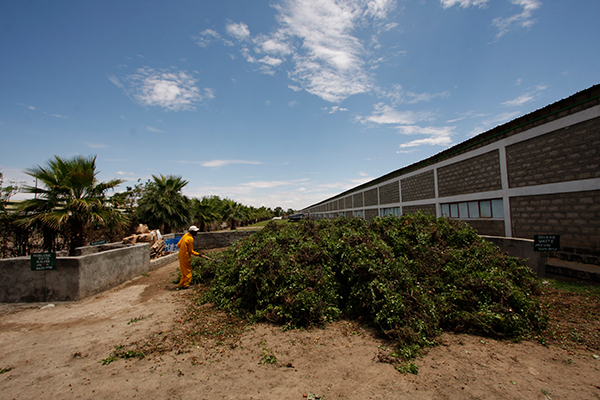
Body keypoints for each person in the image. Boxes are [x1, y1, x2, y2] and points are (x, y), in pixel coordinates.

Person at [176, 225, 200, 290]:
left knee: (183, 271)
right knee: (188, 271)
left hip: (181, 255)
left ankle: (181, 284)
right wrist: (198, 254)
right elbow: (191, 251)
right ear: (192, 232)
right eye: (195, 232)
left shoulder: (185, 235)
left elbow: (178, 245)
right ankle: (186, 284)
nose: (196, 233)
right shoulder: (190, 239)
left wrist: (183, 249)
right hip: (185, 256)